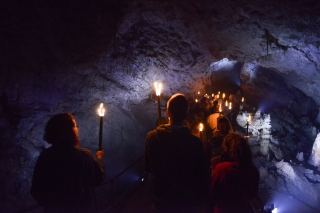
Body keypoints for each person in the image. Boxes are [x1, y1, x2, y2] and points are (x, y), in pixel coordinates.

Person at [144, 93, 210, 213]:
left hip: (162, 200)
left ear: (167, 113)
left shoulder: (152, 137)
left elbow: (148, 168)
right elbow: (202, 175)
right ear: (186, 115)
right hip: (186, 202)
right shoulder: (195, 143)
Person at [31, 113, 106, 213]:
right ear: (70, 130)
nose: (77, 128)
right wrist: (99, 159)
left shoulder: (45, 156)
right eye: (75, 125)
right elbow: (98, 177)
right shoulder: (83, 156)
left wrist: (51, 203)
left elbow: (36, 190)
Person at [210, 133, 259, 213]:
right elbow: (253, 194)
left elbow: (213, 193)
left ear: (229, 150)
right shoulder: (253, 170)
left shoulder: (222, 169)